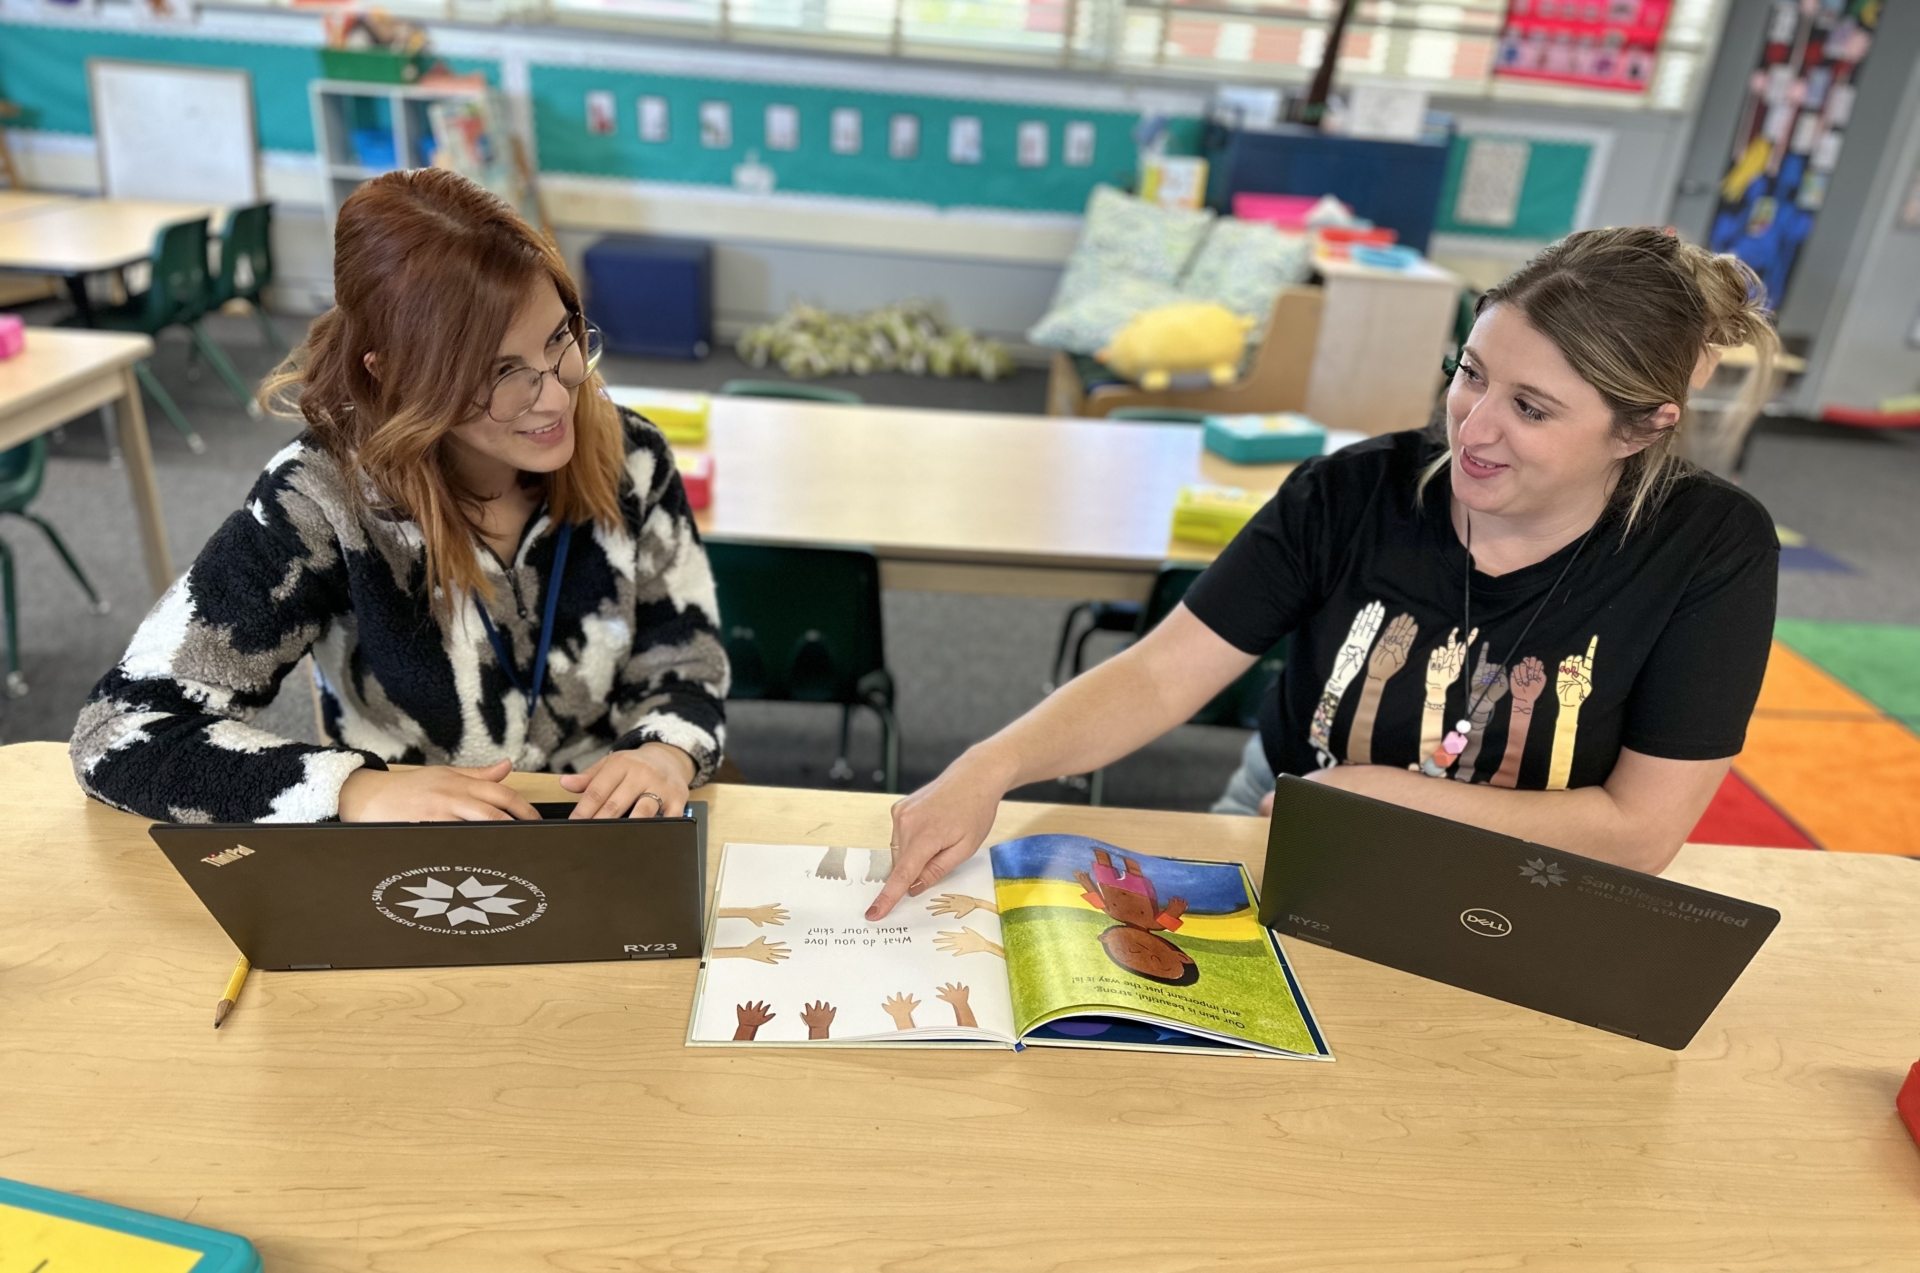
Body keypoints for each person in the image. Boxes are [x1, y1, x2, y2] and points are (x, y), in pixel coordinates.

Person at [869, 226, 1779, 920]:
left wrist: (1379, 800)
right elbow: (1159, 673)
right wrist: (994, 763)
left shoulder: (1712, 549)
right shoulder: (1352, 492)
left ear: (1642, 427)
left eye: (1531, 408)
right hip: (1283, 833)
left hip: (1529, 892)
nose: (1472, 427)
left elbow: (1637, 830)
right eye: (1470, 373)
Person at [70, 169, 728, 824]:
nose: (558, 395)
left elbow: (688, 663)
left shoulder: (630, 457)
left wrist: (665, 753)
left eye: (559, 339)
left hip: (603, 834)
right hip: (413, 854)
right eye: (501, 372)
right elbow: (119, 730)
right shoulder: (321, 498)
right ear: (393, 375)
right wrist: (355, 790)